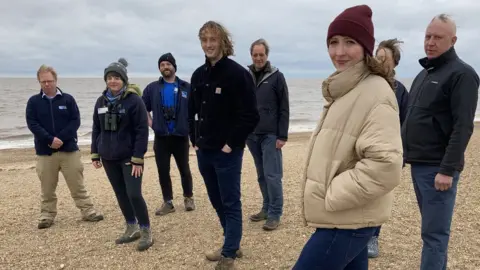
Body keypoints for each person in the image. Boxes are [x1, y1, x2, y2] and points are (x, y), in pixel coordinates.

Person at [293, 5, 403, 269]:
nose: (339, 52)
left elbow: (386, 165)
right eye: (333, 42)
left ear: (365, 47)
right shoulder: (348, 88)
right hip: (349, 217)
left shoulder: (375, 92)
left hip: (346, 220)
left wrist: (332, 194)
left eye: (350, 42)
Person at [402, 14, 479, 270]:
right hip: (418, 163)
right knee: (431, 231)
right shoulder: (425, 73)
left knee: (434, 236)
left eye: (437, 37)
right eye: (427, 36)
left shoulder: (462, 74)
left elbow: (463, 126)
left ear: (453, 40)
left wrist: (447, 169)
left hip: (437, 168)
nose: (430, 42)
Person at [188, 21, 259, 269]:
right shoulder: (198, 75)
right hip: (204, 150)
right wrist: (193, 140)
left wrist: (231, 144)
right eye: (204, 40)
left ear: (223, 42)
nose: (208, 45)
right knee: (216, 200)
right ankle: (232, 242)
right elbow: (192, 111)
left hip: (227, 152)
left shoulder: (238, 74)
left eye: (213, 40)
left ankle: (228, 255)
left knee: (230, 202)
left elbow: (251, 115)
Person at [26, 64, 104, 229]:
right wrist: (49, 139)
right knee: (47, 188)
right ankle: (46, 215)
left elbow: (75, 121)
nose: (47, 84)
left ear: (56, 80)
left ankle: (88, 211)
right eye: (43, 82)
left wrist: (60, 138)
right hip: (45, 153)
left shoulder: (67, 99)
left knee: (77, 185)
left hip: (69, 150)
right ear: (39, 82)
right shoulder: (33, 102)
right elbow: (32, 123)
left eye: (50, 81)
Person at [91, 58, 153, 252]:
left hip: (129, 157)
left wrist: (138, 157)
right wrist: (95, 153)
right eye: (109, 77)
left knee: (134, 193)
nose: (113, 81)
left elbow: (142, 130)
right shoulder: (101, 101)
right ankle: (131, 226)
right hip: (108, 157)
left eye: (117, 77)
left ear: (124, 80)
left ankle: (145, 230)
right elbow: (96, 128)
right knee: (120, 193)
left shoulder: (134, 101)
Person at [367, 38, 409, 258]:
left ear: (394, 64)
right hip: (364, 150)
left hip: (389, 151)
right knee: (363, 193)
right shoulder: (365, 83)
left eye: (385, 59)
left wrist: (401, 156)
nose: (380, 62)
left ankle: (374, 236)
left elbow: (406, 125)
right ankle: (357, 233)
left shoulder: (400, 90)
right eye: (377, 57)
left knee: (381, 196)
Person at [142, 52, 195, 216]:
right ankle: (168, 202)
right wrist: (151, 123)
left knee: (184, 169)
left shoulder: (186, 87)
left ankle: (188, 197)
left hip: (180, 136)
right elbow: (142, 108)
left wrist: (193, 130)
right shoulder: (152, 88)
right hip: (161, 137)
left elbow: (195, 111)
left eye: (168, 64)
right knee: (163, 170)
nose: (165, 67)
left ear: (174, 67)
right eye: (162, 65)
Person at [246, 38, 290, 231]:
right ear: (251, 55)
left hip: (271, 135)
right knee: (261, 175)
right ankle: (265, 208)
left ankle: (275, 213)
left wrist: (282, 135)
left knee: (272, 175)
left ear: (267, 55)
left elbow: (284, 108)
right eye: (255, 55)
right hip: (252, 135)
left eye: (261, 54)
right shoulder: (245, 76)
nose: (258, 58)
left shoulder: (277, 76)